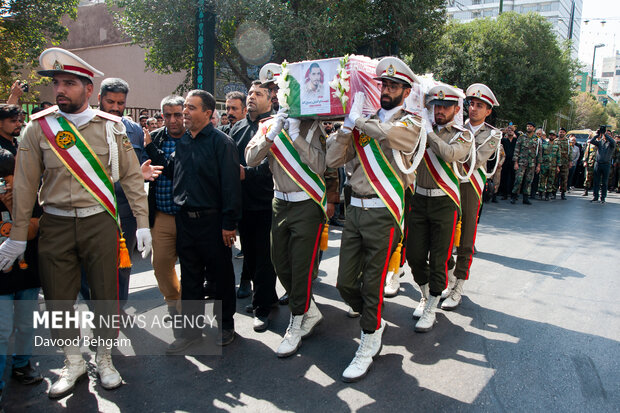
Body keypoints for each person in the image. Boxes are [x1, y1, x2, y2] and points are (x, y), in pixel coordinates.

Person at [0, 48, 151, 398]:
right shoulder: (40, 128)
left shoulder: (111, 128)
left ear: (87, 87)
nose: (60, 90)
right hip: (54, 224)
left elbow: (130, 178)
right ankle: (73, 361)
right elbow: (23, 186)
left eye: (69, 83)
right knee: (57, 300)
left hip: (99, 222)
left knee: (104, 295)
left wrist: (142, 222)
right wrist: (18, 236)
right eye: (57, 83)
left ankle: (103, 358)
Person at [327, 57, 423, 382]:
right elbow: (332, 159)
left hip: (384, 213)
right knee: (343, 282)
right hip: (354, 211)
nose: (386, 89)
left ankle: (369, 341)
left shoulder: (412, 124)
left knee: (372, 284)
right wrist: (345, 128)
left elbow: (394, 137)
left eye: (394, 85)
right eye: (383, 84)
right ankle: (375, 317)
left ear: (406, 91)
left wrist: (359, 122)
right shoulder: (361, 123)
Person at [245, 94, 328, 345]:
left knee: (300, 267)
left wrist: (296, 137)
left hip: (307, 203)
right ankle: (309, 311)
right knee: (280, 263)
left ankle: (297, 319)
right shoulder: (268, 125)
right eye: (280, 97)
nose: (285, 102)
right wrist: (272, 135)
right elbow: (250, 159)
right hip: (279, 203)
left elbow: (320, 165)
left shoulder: (312, 126)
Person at [166, 90, 241, 351]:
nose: (185, 112)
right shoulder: (184, 141)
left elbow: (231, 186)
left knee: (220, 276)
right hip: (186, 222)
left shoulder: (222, 143)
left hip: (213, 223)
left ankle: (225, 326)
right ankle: (191, 333)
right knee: (190, 278)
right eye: (185, 106)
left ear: (208, 113)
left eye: (191, 108)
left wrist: (228, 223)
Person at [79, 78, 145, 308]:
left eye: (121, 103)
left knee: (122, 266)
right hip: (91, 208)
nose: (116, 107)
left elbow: (141, 164)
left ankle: (119, 306)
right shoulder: (83, 127)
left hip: (123, 211)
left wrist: (144, 169)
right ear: (99, 99)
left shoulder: (134, 130)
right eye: (110, 101)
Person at [441, 83, 500, 311]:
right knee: (444, 236)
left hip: (470, 187)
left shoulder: (493, 134)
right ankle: (451, 278)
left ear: (488, 111)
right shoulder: (456, 126)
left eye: (480, 106)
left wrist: (452, 150)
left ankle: (459, 286)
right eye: (471, 104)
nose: (473, 109)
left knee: (465, 239)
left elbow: (474, 159)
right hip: (449, 184)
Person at [0, 149, 43, 404]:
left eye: (10, 177)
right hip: (1, 281)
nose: (7, 184)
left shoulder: (31, 197)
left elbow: (32, 231)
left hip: (27, 275)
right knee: (3, 329)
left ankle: (22, 364)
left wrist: (15, 208)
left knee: (26, 324)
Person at [230, 81, 279, 308]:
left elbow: (274, 164)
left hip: (268, 202)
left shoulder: (277, 125)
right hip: (243, 204)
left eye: (258, 94)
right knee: (249, 256)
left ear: (271, 100)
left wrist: (246, 174)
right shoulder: (238, 128)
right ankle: (265, 297)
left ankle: (263, 307)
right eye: (250, 93)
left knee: (264, 258)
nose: (252, 97)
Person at [144, 96, 185, 319]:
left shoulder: (193, 139)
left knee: (191, 266)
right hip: (161, 215)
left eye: (177, 114)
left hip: (189, 216)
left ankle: (186, 308)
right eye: (167, 115)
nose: (172, 120)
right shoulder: (155, 139)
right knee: (160, 265)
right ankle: (173, 301)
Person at [511, 122, 541, 204]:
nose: (528, 128)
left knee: (528, 181)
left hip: (531, 163)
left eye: (530, 126)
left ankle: (525, 197)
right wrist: (515, 162)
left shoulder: (537, 139)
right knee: (518, 179)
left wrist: (538, 165)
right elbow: (516, 150)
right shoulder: (521, 137)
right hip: (521, 162)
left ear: (534, 128)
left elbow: (539, 153)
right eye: (527, 126)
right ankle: (514, 195)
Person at [589, 127, 616, 204]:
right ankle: (595, 197)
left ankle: (603, 197)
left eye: (608, 134)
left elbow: (612, 141)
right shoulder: (600, 142)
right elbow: (591, 141)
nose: (605, 135)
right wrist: (597, 135)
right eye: (605, 134)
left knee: (604, 182)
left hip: (606, 164)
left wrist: (605, 134)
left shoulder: (611, 143)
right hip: (598, 163)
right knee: (596, 181)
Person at [539, 130, 560, 201]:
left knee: (550, 181)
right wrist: (539, 164)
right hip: (544, 165)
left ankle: (548, 195)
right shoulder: (544, 144)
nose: (551, 136)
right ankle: (541, 194)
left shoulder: (556, 146)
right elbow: (540, 155)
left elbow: (558, 157)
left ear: (555, 136)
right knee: (542, 180)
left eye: (553, 135)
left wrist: (557, 167)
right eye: (550, 135)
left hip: (553, 166)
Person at [499, 124, 517, 199]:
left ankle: (513, 194)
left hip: (513, 161)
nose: (510, 131)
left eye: (512, 130)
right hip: (505, 161)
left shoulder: (516, 141)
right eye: (509, 130)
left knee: (513, 177)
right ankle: (504, 194)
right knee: (504, 177)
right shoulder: (503, 140)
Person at [555, 127, 571, 200]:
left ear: (565, 133)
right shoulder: (555, 140)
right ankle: (553, 192)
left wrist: (570, 161)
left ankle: (563, 193)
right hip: (556, 162)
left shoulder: (568, 141)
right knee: (555, 178)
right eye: (560, 132)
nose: (561, 133)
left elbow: (570, 152)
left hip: (565, 163)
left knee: (564, 178)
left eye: (563, 132)